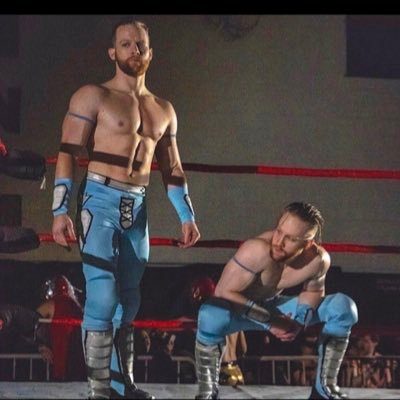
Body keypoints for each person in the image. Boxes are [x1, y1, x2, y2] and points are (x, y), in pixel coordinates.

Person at [51, 18, 200, 399]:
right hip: (98, 200)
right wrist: (59, 211)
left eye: (140, 44)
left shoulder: (164, 109)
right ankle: (99, 389)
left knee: (129, 300)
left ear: (151, 52)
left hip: (138, 204)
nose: (134, 49)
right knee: (103, 295)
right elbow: (67, 152)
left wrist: (187, 216)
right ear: (112, 52)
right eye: (126, 44)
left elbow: (172, 166)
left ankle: (122, 384)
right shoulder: (93, 96)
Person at [194, 202, 358, 399]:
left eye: (291, 239)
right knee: (211, 314)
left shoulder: (317, 260)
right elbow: (222, 292)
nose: (279, 241)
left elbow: (313, 291)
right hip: (238, 310)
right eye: (279, 231)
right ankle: (207, 392)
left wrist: (299, 322)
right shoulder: (256, 250)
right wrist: (272, 321)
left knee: (343, 307)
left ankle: (324, 389)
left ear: (307, 244)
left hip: (274, 305)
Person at [36, 274, 85, 381]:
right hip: (80, 363)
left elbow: (31, 321)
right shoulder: (78, 307)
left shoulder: (51, 304)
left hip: (61, 361)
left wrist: (41, 346)